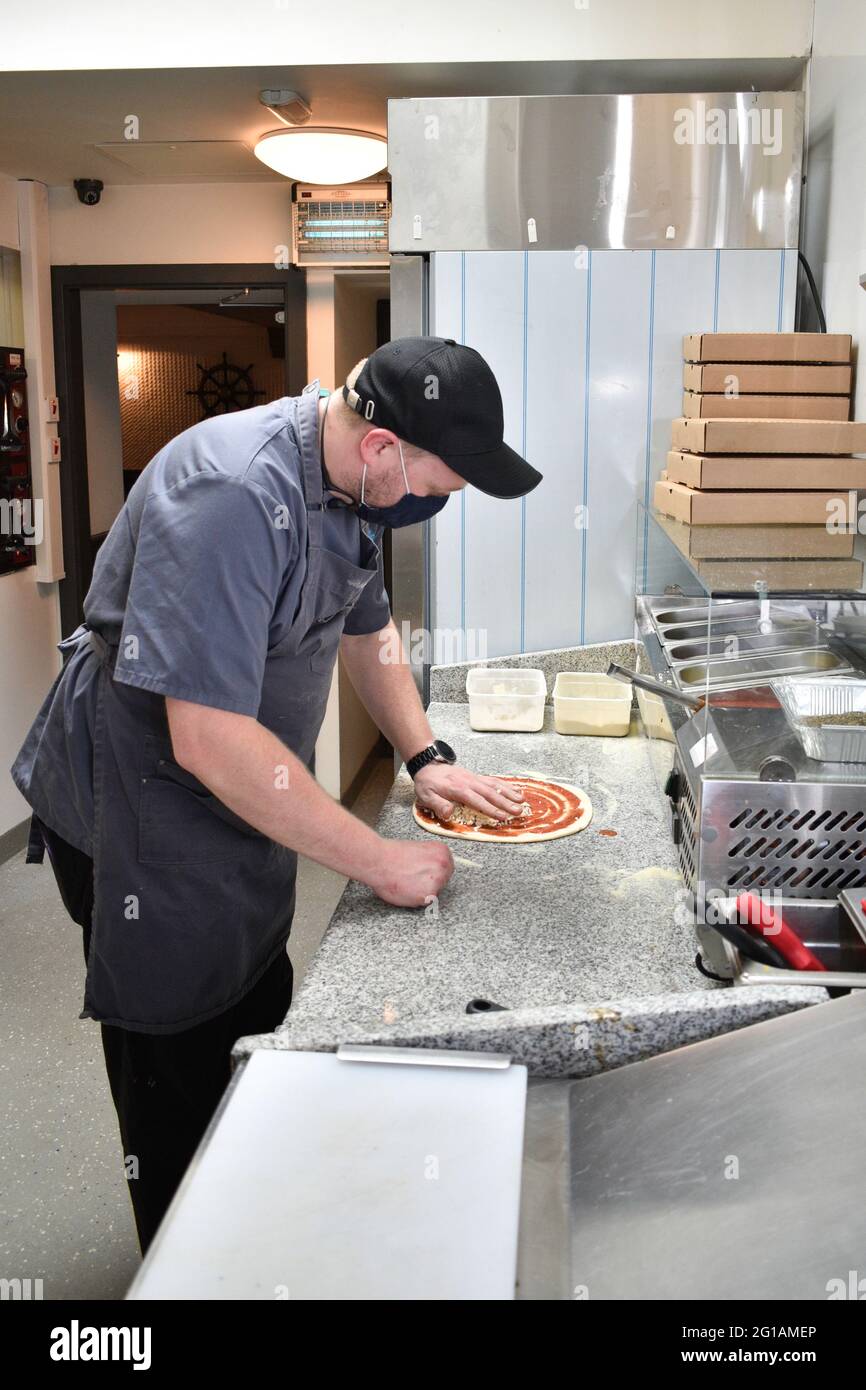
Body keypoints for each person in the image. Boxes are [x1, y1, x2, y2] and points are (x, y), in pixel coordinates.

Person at [11, 335, 542, 1251]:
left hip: (234, 792)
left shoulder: (357, 489)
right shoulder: (231, 495)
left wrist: (426, 757)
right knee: (177, 1047)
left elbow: (367, 629)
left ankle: (252, 1223)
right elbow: (209, 737)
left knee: (255, 997)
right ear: (385, 450)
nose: (437, 503)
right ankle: (185, 1258)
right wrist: (377, 861)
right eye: (442, 484)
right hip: (143, 802)